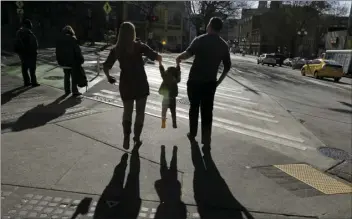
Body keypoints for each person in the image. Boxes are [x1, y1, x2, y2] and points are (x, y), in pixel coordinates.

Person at [103, 22, 162, 150]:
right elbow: (155, 56)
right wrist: (160, 60)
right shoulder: (138, 46)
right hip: (140, 82)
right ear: (133, 33)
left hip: (126, 84)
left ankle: (126, 136)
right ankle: (137, 137)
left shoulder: (116, 49)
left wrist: (109, 77)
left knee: (127, 112)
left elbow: (106, 65)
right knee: (140, 112)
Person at [176, 17, 231, 151]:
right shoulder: (224, 45)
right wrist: (218, 82)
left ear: (210, 26)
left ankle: (192, 133)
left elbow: (187, 54)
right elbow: (227, 67)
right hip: (210, 84)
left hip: (194, 81)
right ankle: (206, 140)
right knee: (207, 112)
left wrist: (178, 58)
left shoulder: (200, 40)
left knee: (193, 108)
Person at [55, 25, 84, 96]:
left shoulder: (59, 40)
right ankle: (75, 90)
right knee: (74, 75)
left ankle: (67, 90)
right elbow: (77, 51)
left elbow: (57, 51)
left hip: (63, 62)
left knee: (66, 75)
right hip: (72, 61)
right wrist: (81, 59)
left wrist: (59, 60)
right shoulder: (73, 39)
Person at [14, 19, 40, 87]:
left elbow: (16, 43)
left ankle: (26, 82)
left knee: (24, 68)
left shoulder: (19, 32)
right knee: (32, 68)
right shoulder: (29, 32)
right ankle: (33, 82)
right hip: (31, 53)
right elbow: (34, 44)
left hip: (23, 53)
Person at [158, 60, 181, 129]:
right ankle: (174, 123)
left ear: (168, 71)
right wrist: (178, 64)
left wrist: (160, 63)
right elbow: (178, 71)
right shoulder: (176, 79)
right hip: (172, 98)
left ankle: (163, 124)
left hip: (165, 97)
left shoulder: (165, 77)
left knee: (164, 111)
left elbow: (161, 70)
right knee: (173, 112)